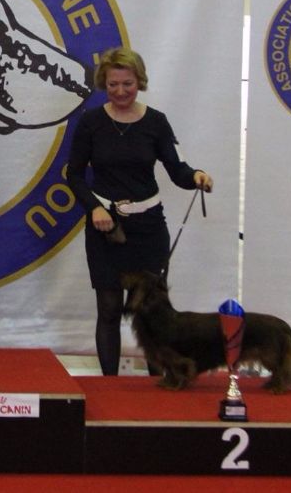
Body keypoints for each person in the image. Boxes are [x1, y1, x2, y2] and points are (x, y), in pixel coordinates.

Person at [66, 47, 212, 376]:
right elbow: (73, 175)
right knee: (109, 309)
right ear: (104, 83)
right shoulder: (90, 122)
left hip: (149, 229)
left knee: (153, 311)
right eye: (113, 84)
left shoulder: (157, 122)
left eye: (127, 84)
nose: (120, 91)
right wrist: (94, 209)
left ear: (140, 82)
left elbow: (177, 169)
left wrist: (196, 177)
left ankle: (158, 382)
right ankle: (109, 385)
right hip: (106, 228)